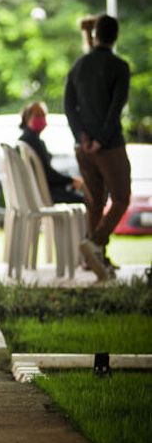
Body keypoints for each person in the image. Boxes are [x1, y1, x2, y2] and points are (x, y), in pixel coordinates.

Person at [65, 14, 131, 281]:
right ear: (115, 36)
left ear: (95, 35)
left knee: (95, 203)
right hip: (109, 146)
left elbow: (69, 106)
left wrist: (82, 137)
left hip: (82, 148)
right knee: (122, 197)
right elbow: (116, 108)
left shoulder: (78, 66)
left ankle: (96, 262)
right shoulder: (119, 67)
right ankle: (95, 244)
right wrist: (101, 139)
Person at [17, 101, 85, 204]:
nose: (41, 119)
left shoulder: (24, 140)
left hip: (39, 193)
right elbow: (49, 175)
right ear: (27, 118)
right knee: (87, 199)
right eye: (38, 116)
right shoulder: (33, 141)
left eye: (43, 116)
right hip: (46, 194)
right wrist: (71, 180)